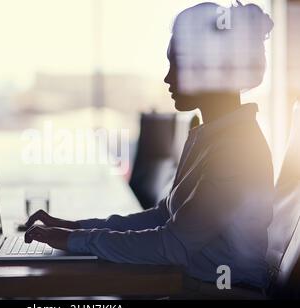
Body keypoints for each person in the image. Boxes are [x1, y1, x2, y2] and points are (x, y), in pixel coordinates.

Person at [24, 1, 274, 289]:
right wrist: (76, 228)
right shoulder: (210, 135)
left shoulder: (236, 150)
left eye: (177, 64)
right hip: (197, 284)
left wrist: (75, 240)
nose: (168, 78)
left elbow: (173, 244)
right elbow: (164, 216)